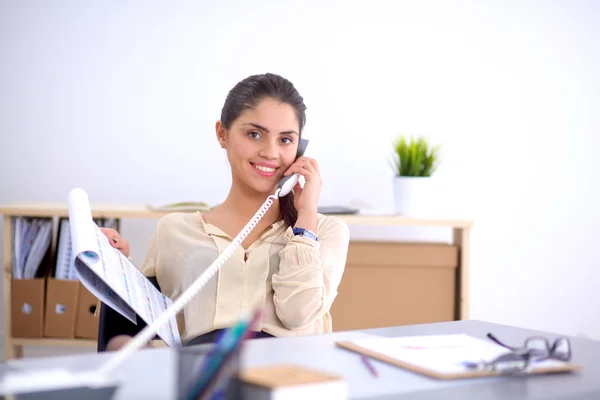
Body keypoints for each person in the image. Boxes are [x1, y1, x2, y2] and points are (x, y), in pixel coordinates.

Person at [100, 72, 350, 350]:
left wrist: (305, 221)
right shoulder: (175, 230)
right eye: (255, 134)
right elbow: (144, 330)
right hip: (204, 379)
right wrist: (116, 267)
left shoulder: (326, 231)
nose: (270, 152)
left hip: (284, 380)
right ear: (222, 133)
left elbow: (297, 314)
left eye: (286, 140)